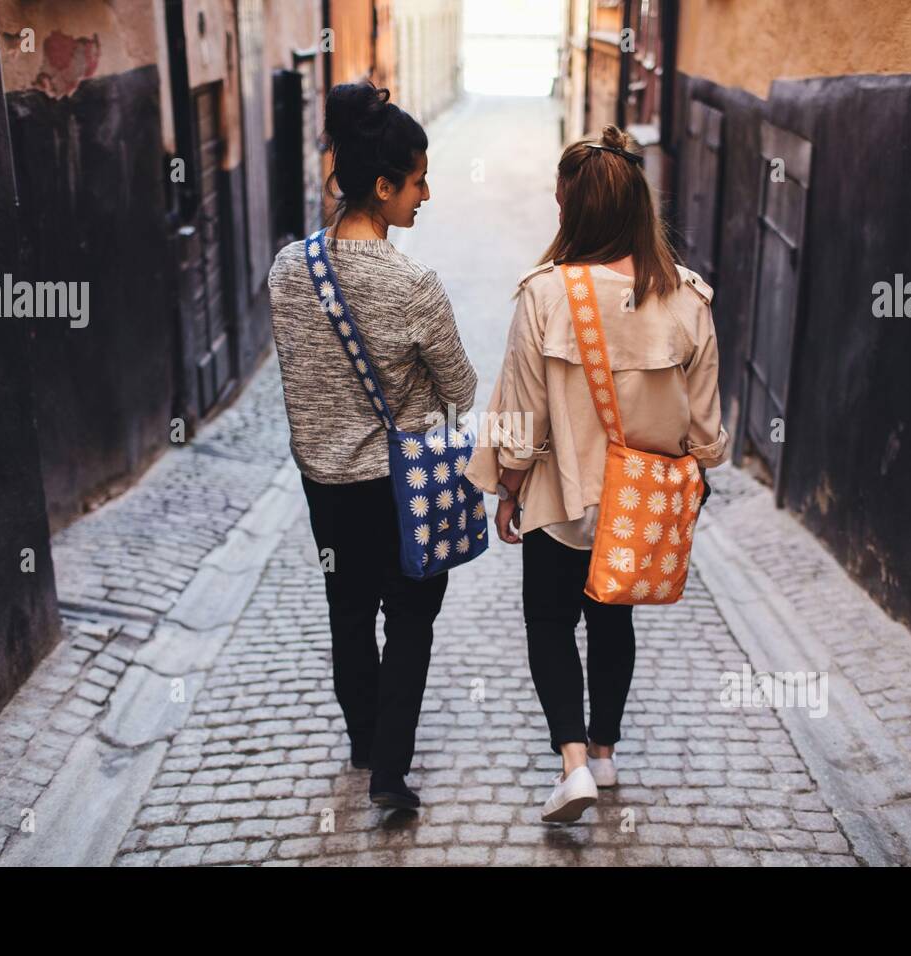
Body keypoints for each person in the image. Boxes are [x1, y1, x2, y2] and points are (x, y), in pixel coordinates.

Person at [465, 125, 729, 823]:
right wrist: (692, 480)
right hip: (638, 504)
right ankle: (606, 755)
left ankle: (574, 764)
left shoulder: (546, 295)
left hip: (562, 496)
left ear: (574, 211)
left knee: (549, 623)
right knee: (612, 621)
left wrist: (509, 487)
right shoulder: (688, 300)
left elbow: (519, 410)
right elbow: (703, 432)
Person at [266, 81, 477, 810]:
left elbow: (299, 369)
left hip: (325, 486)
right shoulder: (413, 283)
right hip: (403, 482)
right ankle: (390, 771)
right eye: (417, 181)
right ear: (383, 185)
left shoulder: (288, 270)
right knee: (411, 619)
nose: (426, 194)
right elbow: (461, 386)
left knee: (348, 612)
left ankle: (363, 742)